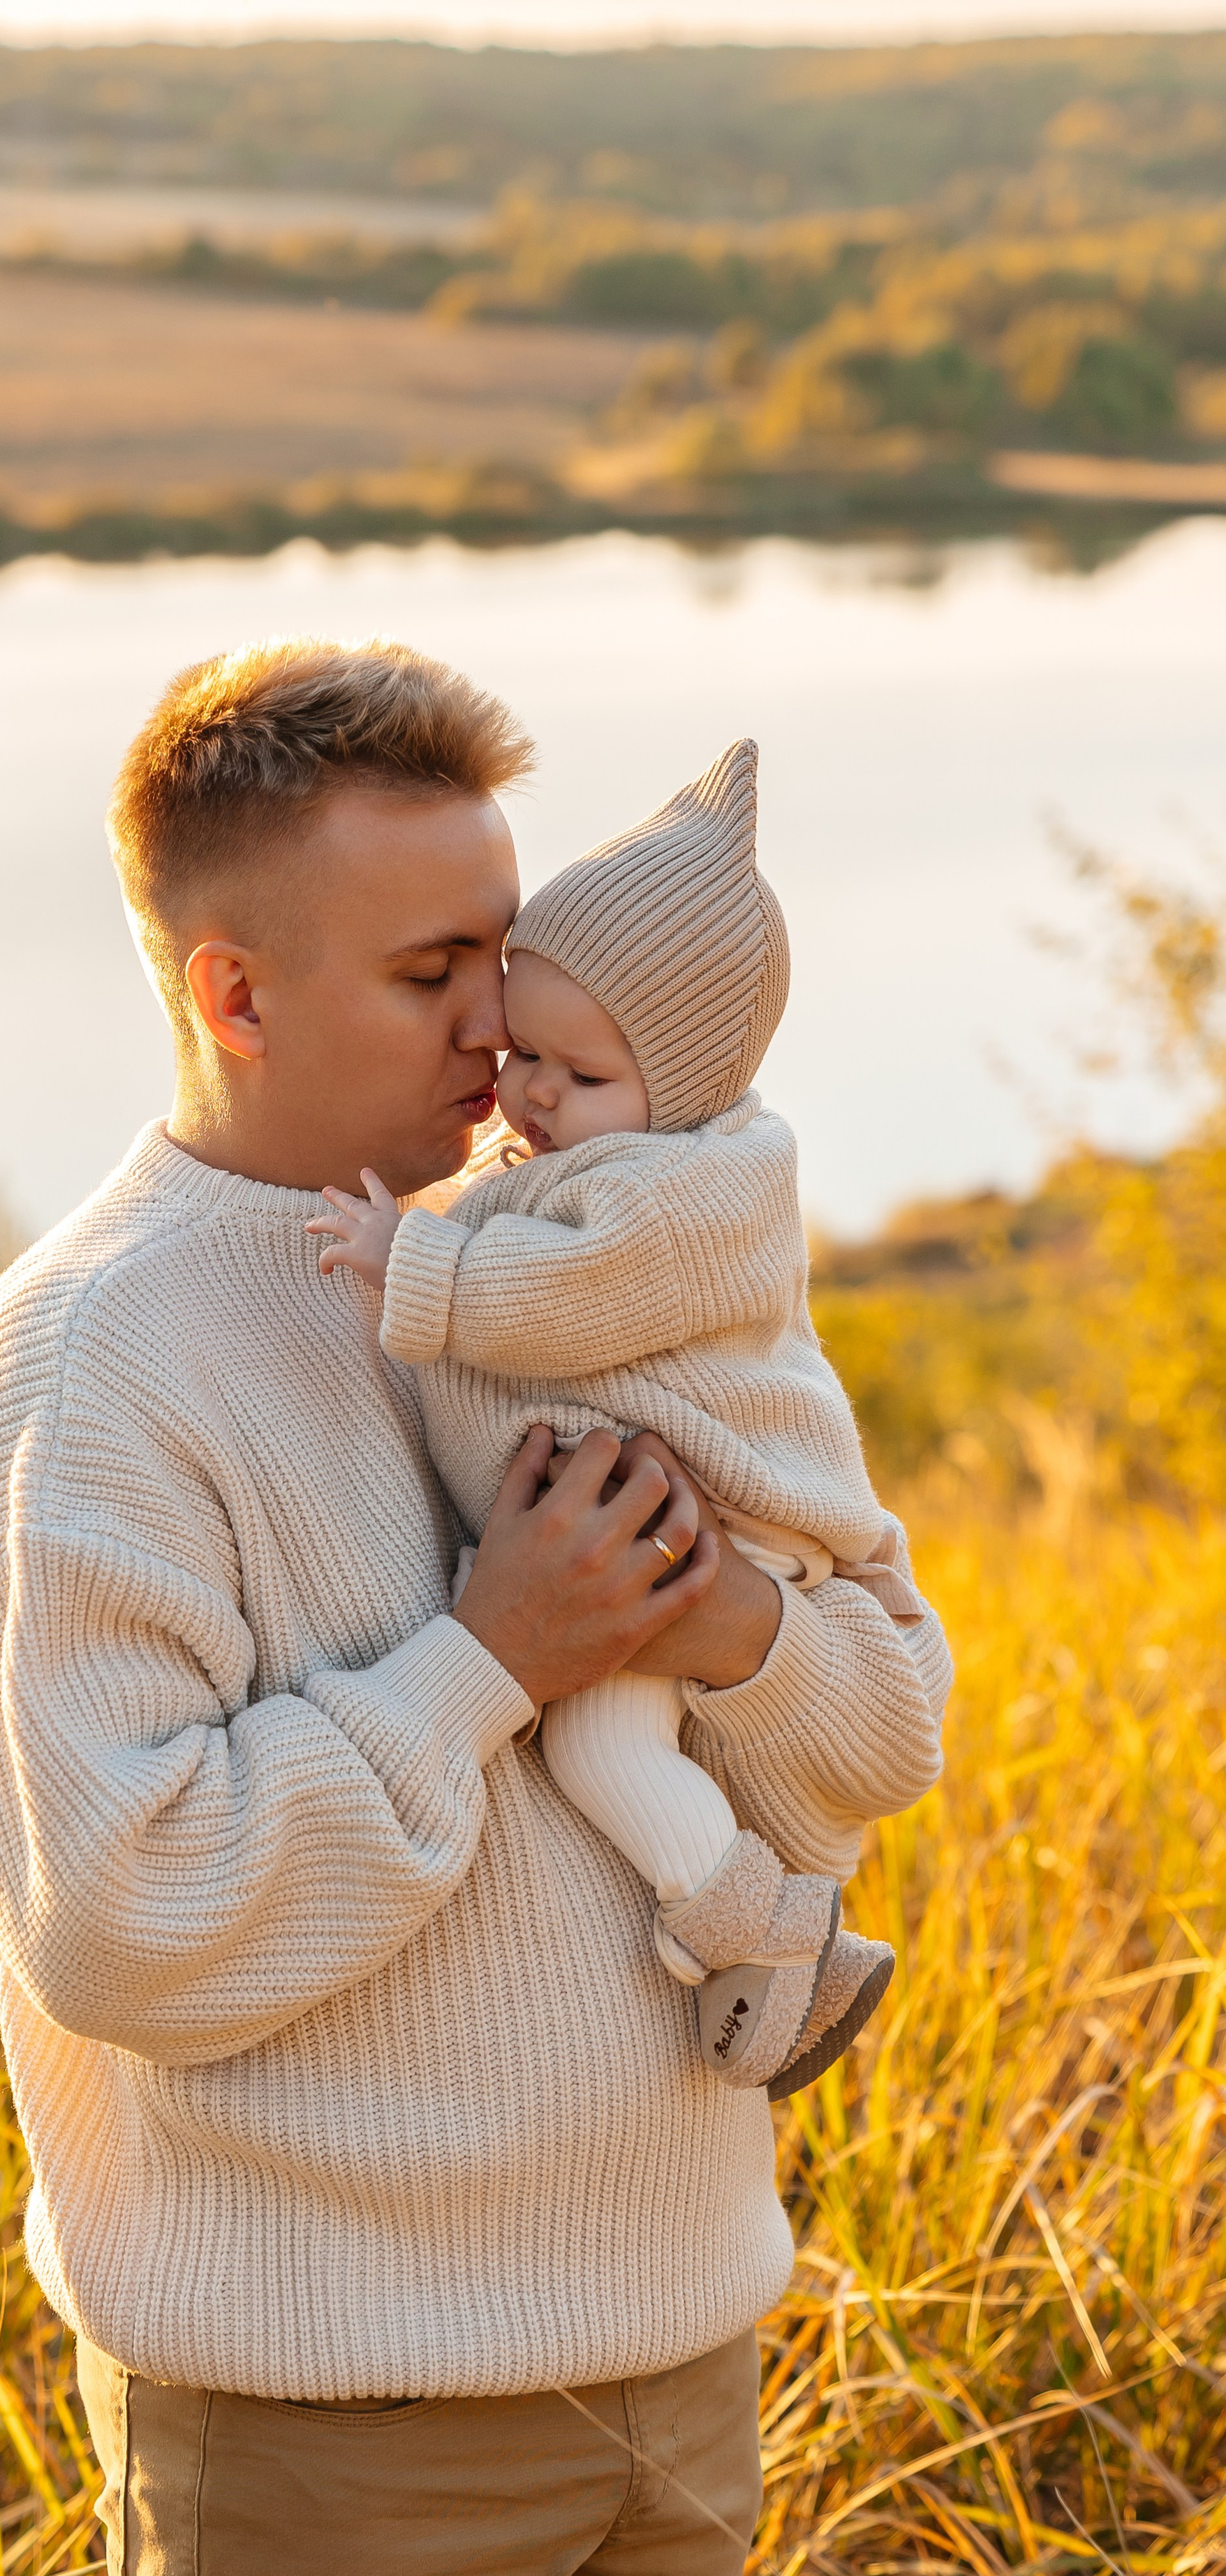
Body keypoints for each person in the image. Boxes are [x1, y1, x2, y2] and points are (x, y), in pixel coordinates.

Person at [0, 640, 952, 2576]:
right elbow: (127, 1925)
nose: (503, 1029)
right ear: (233, 989)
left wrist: (721, 1623)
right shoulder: (85, 1371)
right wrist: (493, 1659)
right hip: (340, 2449)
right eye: (432, 972)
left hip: (680, 2381)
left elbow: (885, 1727)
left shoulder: (591, 1256)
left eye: (508, 948)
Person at [309, 735, 922, 2099]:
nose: (519, 1093)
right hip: (641, 1540)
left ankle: (758, 1930)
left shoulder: (676, 1198)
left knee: (600, 1742)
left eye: (569, 1079)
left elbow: (566, 1296)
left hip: (708, 1539)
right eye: (519, 1051)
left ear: (680, 1087)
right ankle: (753, 1933)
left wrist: (406, 1256)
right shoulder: (619, 1151)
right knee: (607, 1739)